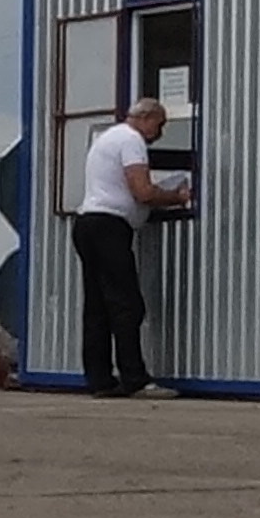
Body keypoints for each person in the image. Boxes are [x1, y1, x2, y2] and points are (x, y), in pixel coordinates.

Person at [73, 95, 190, 397]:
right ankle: (135, 378)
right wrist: (177, 197)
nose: (160, 134)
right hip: (110, 226)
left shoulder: (108, 138)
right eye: (160, 125)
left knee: (97, 305)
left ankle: (99, 379)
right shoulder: (131, 140)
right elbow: (142, 192)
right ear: (146, 118)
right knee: (127, 304)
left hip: (87, 222)